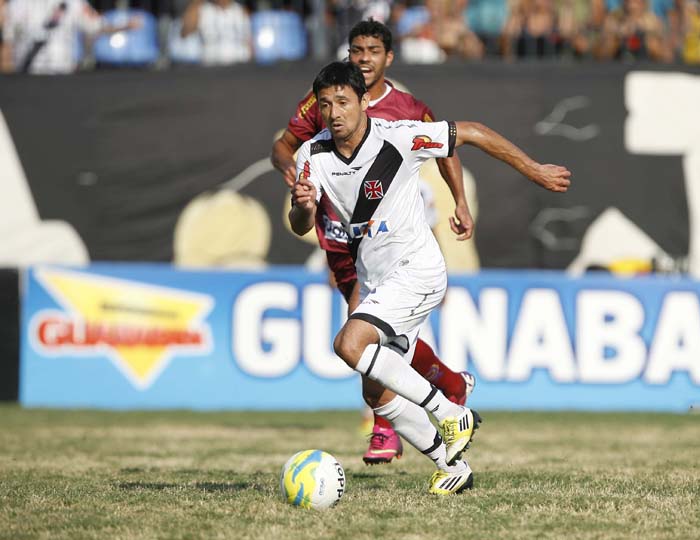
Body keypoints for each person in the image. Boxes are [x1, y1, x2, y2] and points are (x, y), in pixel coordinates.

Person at [289, 61, 571, 494]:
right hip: (376, 279)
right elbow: (300, 225)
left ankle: (449, 410)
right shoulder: (311, 155)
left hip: (418, 269)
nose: (334, 112)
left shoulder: (400, 137)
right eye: (325, 104)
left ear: (364, 101)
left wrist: (534, 170)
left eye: (343, 101)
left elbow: (472, 132)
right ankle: (451, 466)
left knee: (349, 344)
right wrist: (304, 206)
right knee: (375, 393)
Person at [272, 19, 476, 467]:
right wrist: (299, 188)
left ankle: (418, 417)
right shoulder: (322, 105)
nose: (364, 58)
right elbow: (285, 148)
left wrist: (459, 202)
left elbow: (451, 144)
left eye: (373, 50)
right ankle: (448, 443)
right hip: (342, 240)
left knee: (358, 343)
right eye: (356, 50)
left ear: (388, 59)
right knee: (371, 351)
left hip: (394, 244)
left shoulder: (406, 112)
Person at [1, 0, 141, 75]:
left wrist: (124, 27)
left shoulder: (73, 3)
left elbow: (97, 25)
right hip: (28, 73)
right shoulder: (17, 4)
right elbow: (7, 42)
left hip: (61, 72)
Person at [181, 0, 251, 66]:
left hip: (240, 67)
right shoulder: (203, 10)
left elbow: (249, 42)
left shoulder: (241, 11)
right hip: (211, 67)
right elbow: (185, 32)